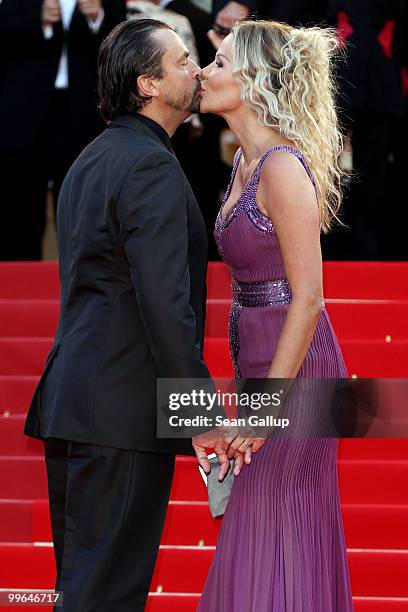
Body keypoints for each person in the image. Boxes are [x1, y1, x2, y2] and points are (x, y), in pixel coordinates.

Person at [23, 19, 246, 611]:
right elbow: (164, 308)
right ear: (148, 84)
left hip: (81, 407)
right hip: (118, 415)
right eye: (181, 62)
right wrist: (201, 415)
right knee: (106, 595)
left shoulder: (92, 158)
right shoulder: (149, 166)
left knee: (83, 591)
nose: (196, 70)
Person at [198, 20, 353, 611]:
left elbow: (308, 297)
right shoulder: (243, 162)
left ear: (256, 80)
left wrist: (266, 409)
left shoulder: (283, 167)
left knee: (280, 517)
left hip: (300, 375)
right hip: (263, 367)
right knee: (266, 521)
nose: (205, 74)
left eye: (218, 64)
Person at [0, 0, 126, 261]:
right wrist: (40, 20)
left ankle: (82, 289)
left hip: (82, 112)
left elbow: (121, 41)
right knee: (19, 207)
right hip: (25, 110)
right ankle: (17, 287)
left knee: (81, 206)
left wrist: (97, 17)